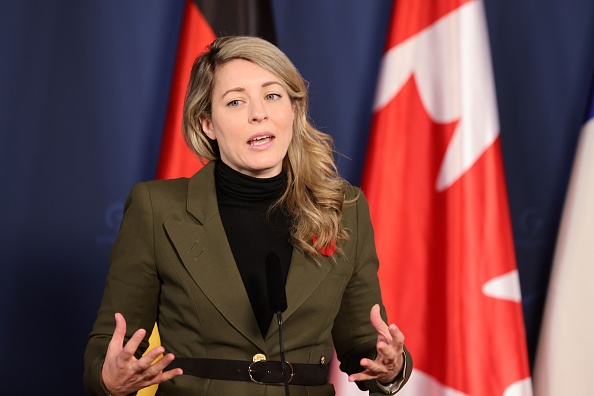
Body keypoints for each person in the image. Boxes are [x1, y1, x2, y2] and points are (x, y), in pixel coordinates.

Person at [84, 36, 412, 396]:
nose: (259, 112)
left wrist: (390, 367)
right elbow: (111, 345)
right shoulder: (156, 208)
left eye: (272, 96)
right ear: (207, 123)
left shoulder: (345, 208)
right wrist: (111, 377)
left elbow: (365, 346)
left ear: (293, 109)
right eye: (236, 101)